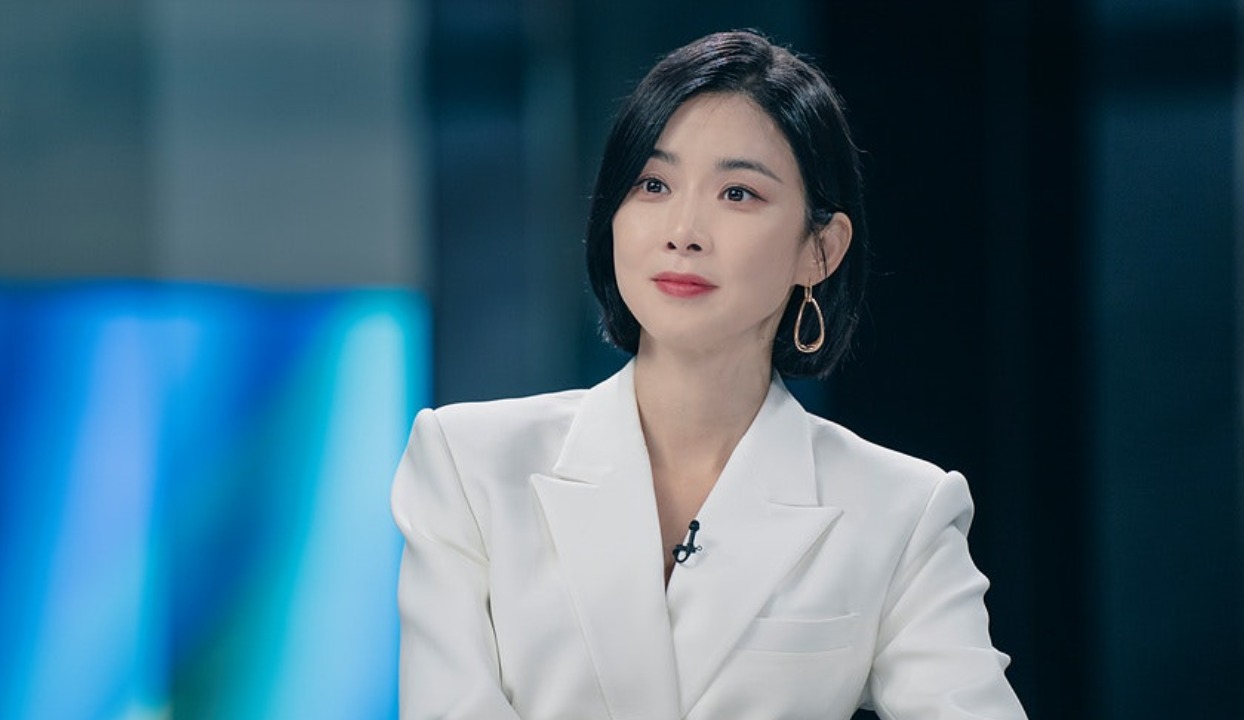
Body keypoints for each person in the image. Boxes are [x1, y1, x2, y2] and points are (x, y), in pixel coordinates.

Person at [392, 30, 1027, 720]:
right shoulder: (469, 465)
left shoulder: (900, 510)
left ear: (820, 249)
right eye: (653, 185)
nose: (684, 230)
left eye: (738, 193)